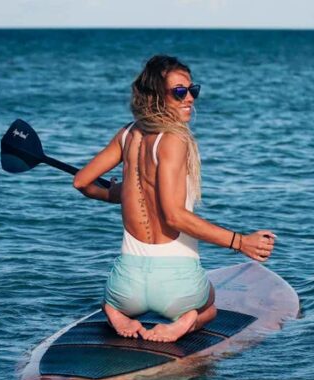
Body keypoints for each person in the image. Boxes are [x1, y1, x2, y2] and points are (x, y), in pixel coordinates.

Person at [73, 55, 275, 343]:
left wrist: (126, 192)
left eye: (193, 90)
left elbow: (82, 182)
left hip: (125, 286)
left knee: (116, 297)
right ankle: (188, 320)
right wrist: (240, 242)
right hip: (177, 288)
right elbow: (174, 216)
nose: (190, 98)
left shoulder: (127, 135)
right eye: (179, 92)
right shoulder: (174, 140)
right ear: (155, 96)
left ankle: (113, 310)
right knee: (210, 307)